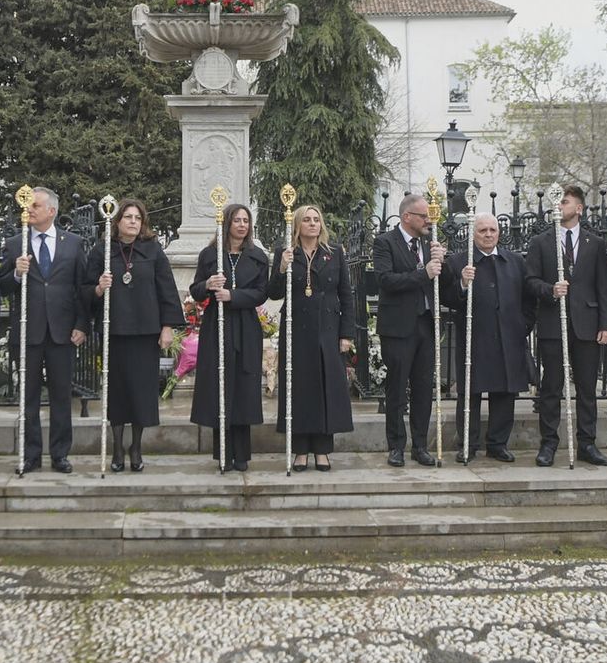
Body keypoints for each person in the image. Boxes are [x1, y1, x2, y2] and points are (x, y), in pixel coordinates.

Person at [85, 199, 183, 473]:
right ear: (117, 222)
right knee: (117, 392)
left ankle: (136, 446)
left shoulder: (152, 249)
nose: (132, 222)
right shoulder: (103, 251)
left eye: (137, 218)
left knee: (141, 392)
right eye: (127, 217)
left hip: (145, 332)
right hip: (115, 331)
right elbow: (84, 289)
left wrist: (167, 326)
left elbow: (166, 288)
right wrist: (99, 288)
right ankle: (117, 447)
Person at [524, 185, 607, 467]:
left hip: (587, 324)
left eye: (564, 202)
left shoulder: (594, 243)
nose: (559, 206)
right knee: (552, 386)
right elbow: (529, 281)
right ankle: (549, 443)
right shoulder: (541, 242)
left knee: (587, 387)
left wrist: (606, 325)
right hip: (554, 324)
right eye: (557, 202)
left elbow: (604, 287)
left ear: (578, 208)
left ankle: (587, 443)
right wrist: (550, 290)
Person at [0, 187, 88, 473]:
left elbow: (82, 288)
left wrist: (81, 324)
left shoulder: (73, 244)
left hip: (62, 332)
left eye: (36, 205)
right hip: (28, 332)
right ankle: (31, 454)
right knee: (28, 397)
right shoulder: (15, 244)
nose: (29, 210)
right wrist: (16, 273)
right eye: (27, 205)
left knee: (61, 396)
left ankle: (60, 454)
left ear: (51, 211)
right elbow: (0, 285)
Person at [371, 194, 456, 467]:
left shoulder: (429, 244)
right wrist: (424, 273)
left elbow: (442, 282)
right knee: (397, 388)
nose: (429, 220)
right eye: (423, 216)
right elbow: (386, 280)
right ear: (407, 217)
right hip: (398, 327)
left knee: (423, 388)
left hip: (426, 324)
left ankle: (420, 446)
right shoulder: (385, 242)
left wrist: (442, 262)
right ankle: (396, 446)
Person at [268, 205, 352, 471]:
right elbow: (273, 293)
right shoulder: (286, 252)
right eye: (307, 219)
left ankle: (323, 450)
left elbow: (346, 294)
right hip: (297, 329)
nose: (313, 224)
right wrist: (282, 268)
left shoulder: (334, 252)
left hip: (328, 327)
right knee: (299, 388)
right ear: (297, 224)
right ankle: (301, 450)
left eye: (316, 219)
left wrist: (346, 333)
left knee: (325, 387)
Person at [188, 202, 269, 471]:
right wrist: (208, 285)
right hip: (217, 326)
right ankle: (223, 453)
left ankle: (242, 454)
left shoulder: (257, 257)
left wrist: (233, 296)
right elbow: (196, 289)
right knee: (220, 385)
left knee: (243, 387)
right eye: (237, 220)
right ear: (227, 223)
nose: (242, 225)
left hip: (245, 325)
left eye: (246, 221)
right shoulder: (210, 255)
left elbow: (261, 292)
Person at [450, 212, 533, 462]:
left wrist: (522, 326)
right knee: (470, 392)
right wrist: (462, 283)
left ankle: (498, 444)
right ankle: (468, 443)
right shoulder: (458, 262)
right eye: (482, 230)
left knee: (505, 392)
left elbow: (529, 299)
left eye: (492, 230)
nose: (488, 235)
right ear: (473, 234)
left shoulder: (515, 261)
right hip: (474, 338)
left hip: (508, 336)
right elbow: (447, 299)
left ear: (499, 233)